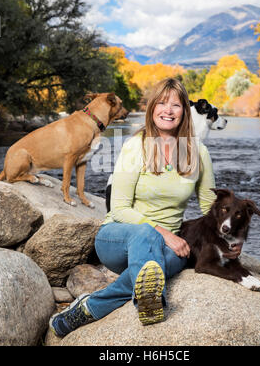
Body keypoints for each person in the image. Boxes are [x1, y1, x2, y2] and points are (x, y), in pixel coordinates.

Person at [49, 78, 238, 338]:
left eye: (175, 105)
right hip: (118, 237)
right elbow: (119, 207)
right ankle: (151, 302)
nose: (168, 110)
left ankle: (89, 307)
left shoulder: (199, 152)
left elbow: (211, 208)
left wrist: (228, 237)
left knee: (171, 261)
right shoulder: (135, 146)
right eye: (161, 103)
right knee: (147, 236)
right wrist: (166, 233)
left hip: (164, 248)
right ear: (151, 109)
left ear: (185, 110)